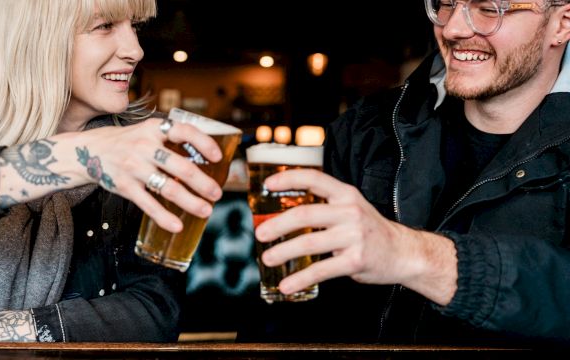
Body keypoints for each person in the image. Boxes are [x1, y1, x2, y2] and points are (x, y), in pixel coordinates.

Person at [238, 0, 570, 346]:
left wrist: (412, 254)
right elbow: (284, 309)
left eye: (488, 8)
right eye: (445, 4)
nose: (453, 28)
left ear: (561, 23)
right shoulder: (368, 127)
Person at [0, 0, 224, 342]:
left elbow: (154, 310)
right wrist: (85, 156)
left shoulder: (138, 150)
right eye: (104, 26)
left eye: (135, 27)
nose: (135, 50)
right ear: (35, 37)